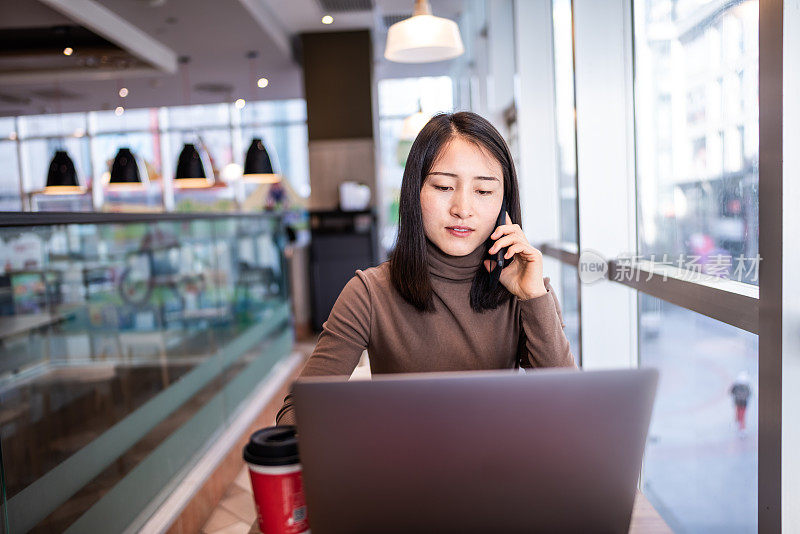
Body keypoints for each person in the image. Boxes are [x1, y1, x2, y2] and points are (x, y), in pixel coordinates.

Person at [276, 111, 577, 425]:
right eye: (444, 187)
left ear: (504, 205)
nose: (462, 209)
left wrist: (533, 297)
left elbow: (571, 408)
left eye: (484, 191)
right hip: (401, 469)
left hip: (497, 469)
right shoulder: (369, 293)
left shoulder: (526, 289)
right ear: (414, 193)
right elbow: (294, 414)